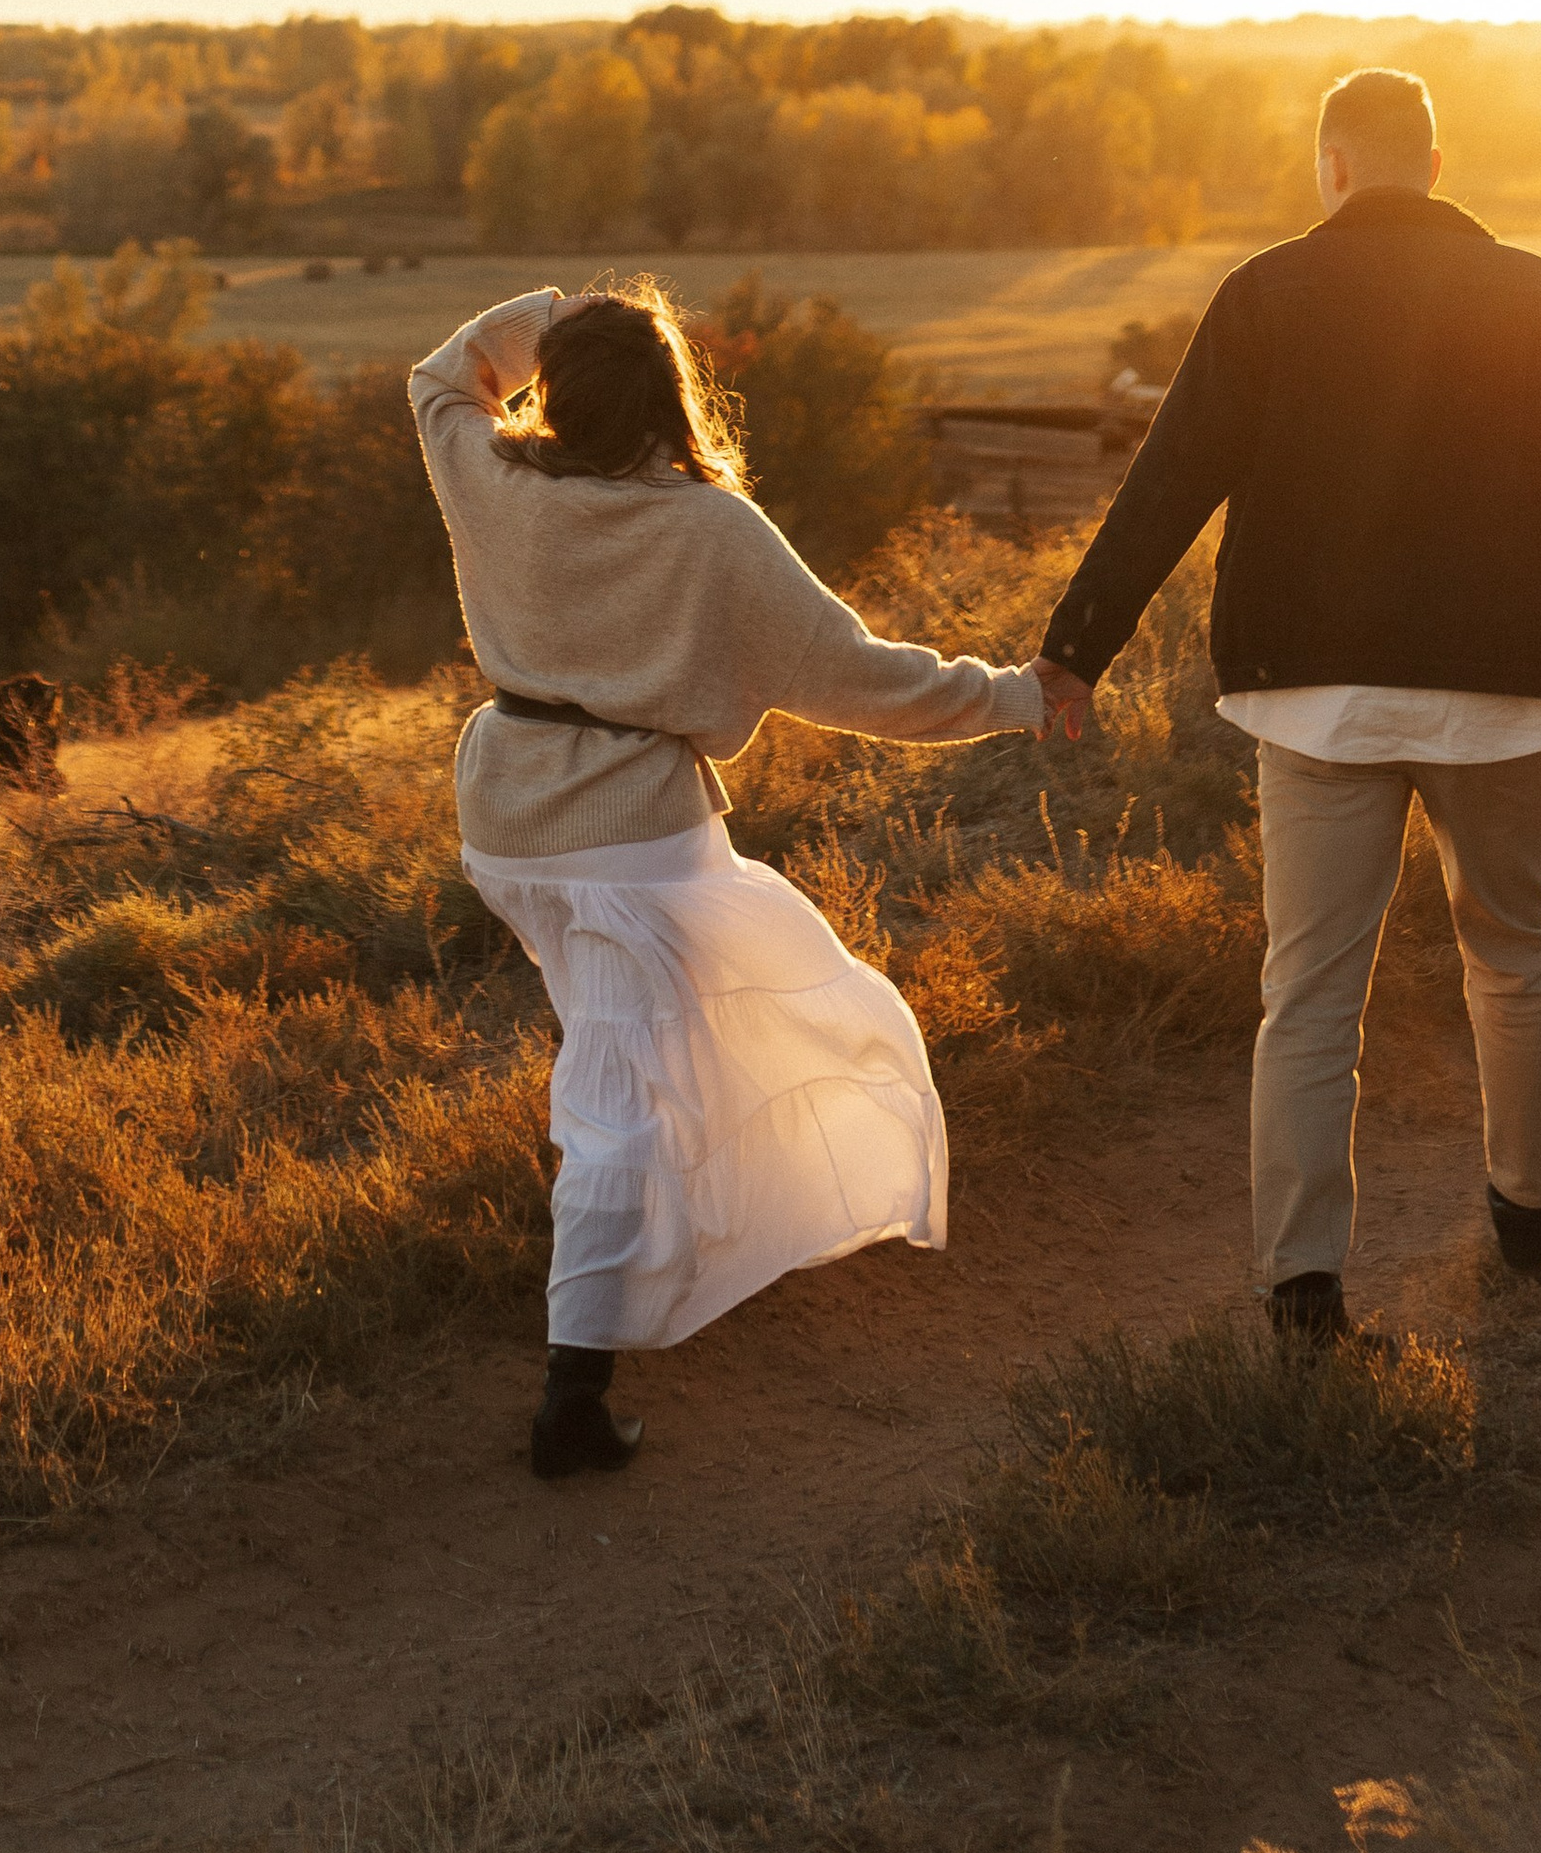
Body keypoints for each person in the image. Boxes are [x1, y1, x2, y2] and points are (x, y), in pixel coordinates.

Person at [1031, 69, 1541, 1348]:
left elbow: (1169, 480)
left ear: (1330, 166)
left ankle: (1302, 1289)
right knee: (1511, 947)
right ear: (1435, 167)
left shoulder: (1267, 293)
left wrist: (1075, 646)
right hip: (1499, 699)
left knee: (1310, 989)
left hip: (1312, 700)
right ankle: (1535, 1218)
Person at [412, 280, 1080, 1480]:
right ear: (668, 394)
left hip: (506, 830)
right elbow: (868, 679)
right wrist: (1021, 698)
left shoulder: (494, 482)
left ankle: (647, 1259)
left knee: (647, 1055)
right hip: (629, 845)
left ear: (555, 395)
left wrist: (552, 312)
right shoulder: (712, 532)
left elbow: (437, 377)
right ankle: (573, 1391)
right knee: (632, 1086)